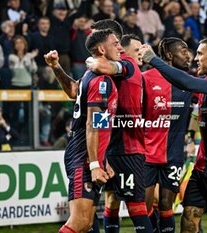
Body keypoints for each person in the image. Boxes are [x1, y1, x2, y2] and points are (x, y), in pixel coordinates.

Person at [140, 36, 207, 233]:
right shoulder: (206, 85)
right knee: (188, 220)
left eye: (200, 54)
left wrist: (153, 59)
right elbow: (183, 83)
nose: (195, 58)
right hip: (202, 169)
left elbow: (187, 82)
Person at [44, 29, 120, 233]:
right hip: (83, 156)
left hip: (88, 154)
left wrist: (56, 67)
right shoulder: (101, 81)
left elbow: (72, 91)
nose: (119, 48)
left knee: (86, 224)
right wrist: (95, 163)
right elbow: (94, 124)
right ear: (102, 49)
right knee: (78, 222)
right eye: (115, 43)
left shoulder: (90, 75)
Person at [88, 19, 153, 233]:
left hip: (127, 148)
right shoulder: (102, 75)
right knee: (108, 201)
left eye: (98, 37)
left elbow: (99, 64)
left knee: (135, 205)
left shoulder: (126, 63)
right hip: (107, 146)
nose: (93, 43)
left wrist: (91, 60)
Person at [142, 37, 194, 233]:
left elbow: (198, 111)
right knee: (143, 208)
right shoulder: (145, 79)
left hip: (173, 156)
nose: (188, 55)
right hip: (146, 155)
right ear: (170, 55)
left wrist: (191, 136)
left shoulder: (189, 82)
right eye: (183, 51)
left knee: (166, 206)